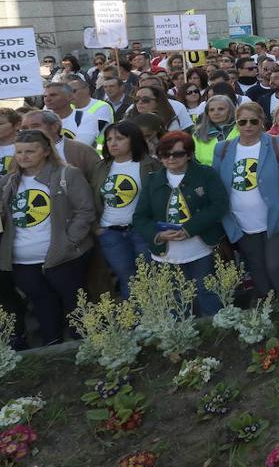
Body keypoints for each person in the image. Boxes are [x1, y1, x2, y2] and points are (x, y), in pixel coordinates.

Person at [0, 129, 94, 345]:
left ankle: (86, 347)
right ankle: (53, 349)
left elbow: (85, 211)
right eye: (19, 152)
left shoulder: (67, 174)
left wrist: (69, 243)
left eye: (30, 151)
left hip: (63, 256)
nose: (23, 156)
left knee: (75, 303)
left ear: (45, 151)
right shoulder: (8, 182)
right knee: (42, 304)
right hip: (22, 260)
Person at [213, 101, 279, 302]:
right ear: (236, 123)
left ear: (262, 122)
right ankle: (267, 303)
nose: (248, 125)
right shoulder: (223, 148)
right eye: (242, 121)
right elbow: (216, 184)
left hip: (277, 217)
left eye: (253, 121)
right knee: (256, 264)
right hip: (241, 221)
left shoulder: (275, 143)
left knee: (275, 263)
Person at [131, 132, 227, 315]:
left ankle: (217, 334)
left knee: (207, 292)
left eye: (178, 154)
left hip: (201, 248)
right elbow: (140, 218)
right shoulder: (153, 180)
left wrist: (189, 229)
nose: (171, 159)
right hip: (166, 253)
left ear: (189, 154)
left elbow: (219, 206)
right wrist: (157, 234)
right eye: (165, 154)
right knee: (175, 298)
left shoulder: (206, 174)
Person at [90, 121, 160, 299]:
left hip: (141, 231)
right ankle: (136, 322)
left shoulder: (151, 165)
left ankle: (158, 320)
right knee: (127, 279)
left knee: (151, 278)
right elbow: (92, 198)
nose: (113, 143)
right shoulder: (100, 167)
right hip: (110, 233)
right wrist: (97, 228)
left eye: (119, 138)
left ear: (133, 140)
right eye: (109, 139)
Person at [21, 109, 99, 176]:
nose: (29, 131)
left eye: (35, 126)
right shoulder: (19, 153)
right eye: (24, 128)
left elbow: (97, 181)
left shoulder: (81, 151)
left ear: (54, 127)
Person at [189, 95, 239, 166]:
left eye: (221, 109)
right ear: (207, 113)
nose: (216, 113)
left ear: (230, 110)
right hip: (208, 174)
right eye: (211, 110)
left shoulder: (242, 128)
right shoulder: (198, 134)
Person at [67, 78, 114, 152]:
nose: (69, 95)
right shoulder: (67, 108)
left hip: (97, 154)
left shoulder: (102, 106)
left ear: (86, 90)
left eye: (73, 91)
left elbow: (93, 130)